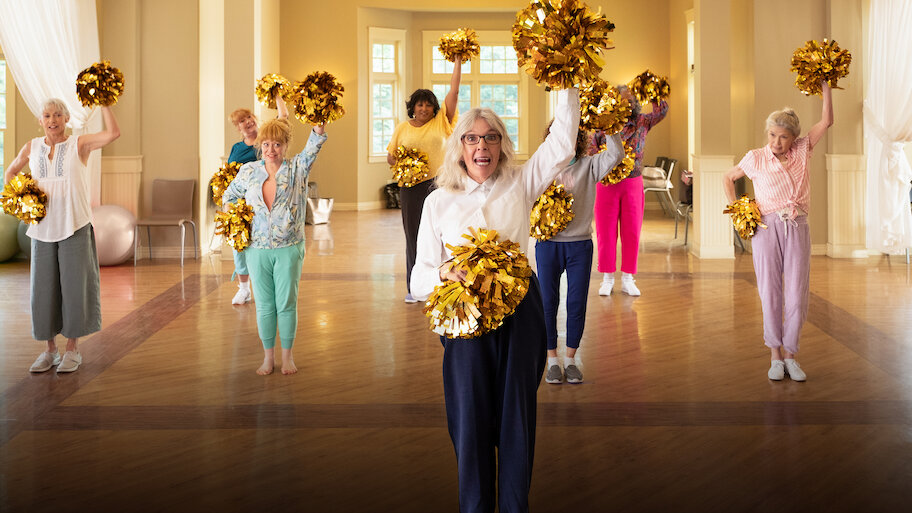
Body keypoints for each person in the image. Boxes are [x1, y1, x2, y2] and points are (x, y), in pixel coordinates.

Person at [411, 88, 580, 513]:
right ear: (459, 147)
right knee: (469, 423)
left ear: (502, 145)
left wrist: (567, 80)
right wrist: (444, 272)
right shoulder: (437, 201)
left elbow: (562, 143)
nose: (481, 146)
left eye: (490, 138)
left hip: (521, 315)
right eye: (471, 138)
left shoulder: (521, 182)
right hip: (463, 322)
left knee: (517, 420)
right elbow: (418, 277)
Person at [722, 81, 833, 382]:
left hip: (797, 227)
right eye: (772, 135)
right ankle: (775, 355)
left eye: (783, 137)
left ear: (794, 138)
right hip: (766, 229)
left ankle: (791, 355)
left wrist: (825, 86)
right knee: (770, 291)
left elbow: (826, 121)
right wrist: (738, 211)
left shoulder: (803, 150)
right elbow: (728, 178)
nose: (777, 142)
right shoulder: (755, 157)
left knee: (796, 294)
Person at [4, 99, 120, 374]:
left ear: (67, 119)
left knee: (74, 288)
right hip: (43, 229)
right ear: (40, 120)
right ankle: (50, 351)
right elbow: (10, 172)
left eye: (58, 115)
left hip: (74, 225)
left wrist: (104, 103)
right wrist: (21, 200)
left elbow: (113, 134)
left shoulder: (79, 144)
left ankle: (72, 349)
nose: (52, 120)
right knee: (43, 290)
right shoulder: (31, 147)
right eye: (47, 115)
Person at [222, 118, 327, 375]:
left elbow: (313, 146)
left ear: (285, 146)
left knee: (286, 304)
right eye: (266, 144)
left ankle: (287, 357)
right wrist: (236, 221)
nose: (271, 150)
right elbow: (229, 196)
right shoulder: (249, 171)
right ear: (260, 145)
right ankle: (268, 358)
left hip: (288, 248)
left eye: (277, 144)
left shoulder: (297, 168)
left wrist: (319, 126)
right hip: (256, 250)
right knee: (265, 306)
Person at [537, 125, 623, 385]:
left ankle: (571, 360)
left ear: (579, 140)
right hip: (548, 245)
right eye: (560, 135)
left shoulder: (590, 165)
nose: (566, 141)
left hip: (579, 246)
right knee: (547, 302)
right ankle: (552, 360)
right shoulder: (542, 166)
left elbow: (616, 154)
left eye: (572, 136)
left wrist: (610, 125)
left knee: (576, 303)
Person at [387, 57, 462, 304]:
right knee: (413, 236)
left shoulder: (441, 121)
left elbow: (454, 92)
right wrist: (407, 162)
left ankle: (444, 281)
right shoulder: (402, 128)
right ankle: (414, 286)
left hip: (439, 185)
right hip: (409, 188)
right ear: (413, 107)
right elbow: (391, 157)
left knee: (442, 235)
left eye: (429, 105)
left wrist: (458, 61)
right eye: (420, 104)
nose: (424, 108)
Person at [593, 85, 668, 297]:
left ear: (636, 103)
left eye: (632, 100)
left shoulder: (643, 121)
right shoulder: (603, 123)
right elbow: (592, 148)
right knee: (605, 233)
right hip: (606, 184)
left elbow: (662, 110)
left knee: (632, 232)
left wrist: (651, 88)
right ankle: (607, 278)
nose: (628, 103)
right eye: (623, 100)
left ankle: (628, 279)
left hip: (633, 183)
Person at [225, 96, 288, 305]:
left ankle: (270, 286)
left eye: (249, 117)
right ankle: (244, 289)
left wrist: (276, 95)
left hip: (263, 201)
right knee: (239, 245)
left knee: (263, 245)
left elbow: (283, 117)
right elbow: (230, 174)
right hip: (240, 204)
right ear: (238, 127)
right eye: (242, 120)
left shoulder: (265, 139)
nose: (248, 122)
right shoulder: (236, 148)